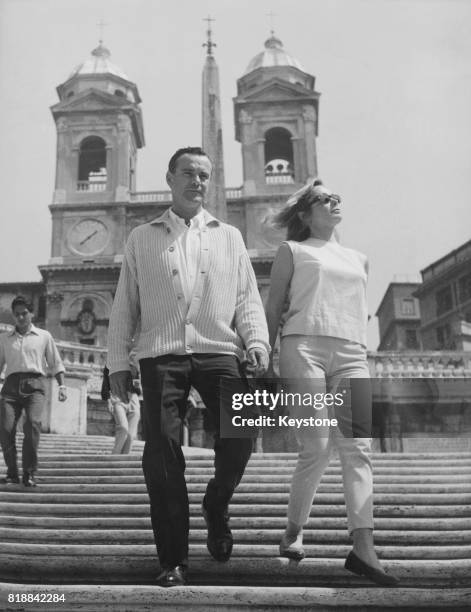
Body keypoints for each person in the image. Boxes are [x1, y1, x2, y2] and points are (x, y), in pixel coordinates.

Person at [107, 146, 269, 587]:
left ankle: (216, 504)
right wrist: (117, 362)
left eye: (204, 175)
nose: (197, 181)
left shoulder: (229, 236)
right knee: (160, 454)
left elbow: (246, 298)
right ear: (170, 178)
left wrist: (256, 341)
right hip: (162, 352)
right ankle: (173, 559)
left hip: (219, 348)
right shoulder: (142, 237)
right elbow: (125, 306)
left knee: (239, 436)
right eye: (188, 173)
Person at [266, 180, 399, 586]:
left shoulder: (359, 257)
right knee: (318, 445)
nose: (334, 203)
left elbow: (356, 310)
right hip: (302, 347)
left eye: (337, 198)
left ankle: (363, 548)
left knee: (358, 447)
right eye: (324, 199)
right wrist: (260, 354)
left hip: (351, 353)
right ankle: (293, 529)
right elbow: (274, 305)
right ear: (305, 214)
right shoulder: (293, 250)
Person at [0, 295, 67, 487]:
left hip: (35, 386)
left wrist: (62, 385)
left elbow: (55, 363)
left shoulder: (44, 336)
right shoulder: (4, 339)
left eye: (24, 313)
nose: (20, 318)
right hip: (11, 386)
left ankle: (29, 473)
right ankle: (12, 473)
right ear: (13, 315)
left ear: (32, 313)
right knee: (5, 430)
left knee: (32, 425)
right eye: (17, 314)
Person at [101, 364, 141, 454]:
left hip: (133, 397)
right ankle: (114, 457)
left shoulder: (134, 361)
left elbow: (137, 386)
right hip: (117, 396)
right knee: (123, 428)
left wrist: (137, 385)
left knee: (131, 435)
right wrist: (108, 400)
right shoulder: (111, 361)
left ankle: (124, 460)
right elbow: (106, 383)